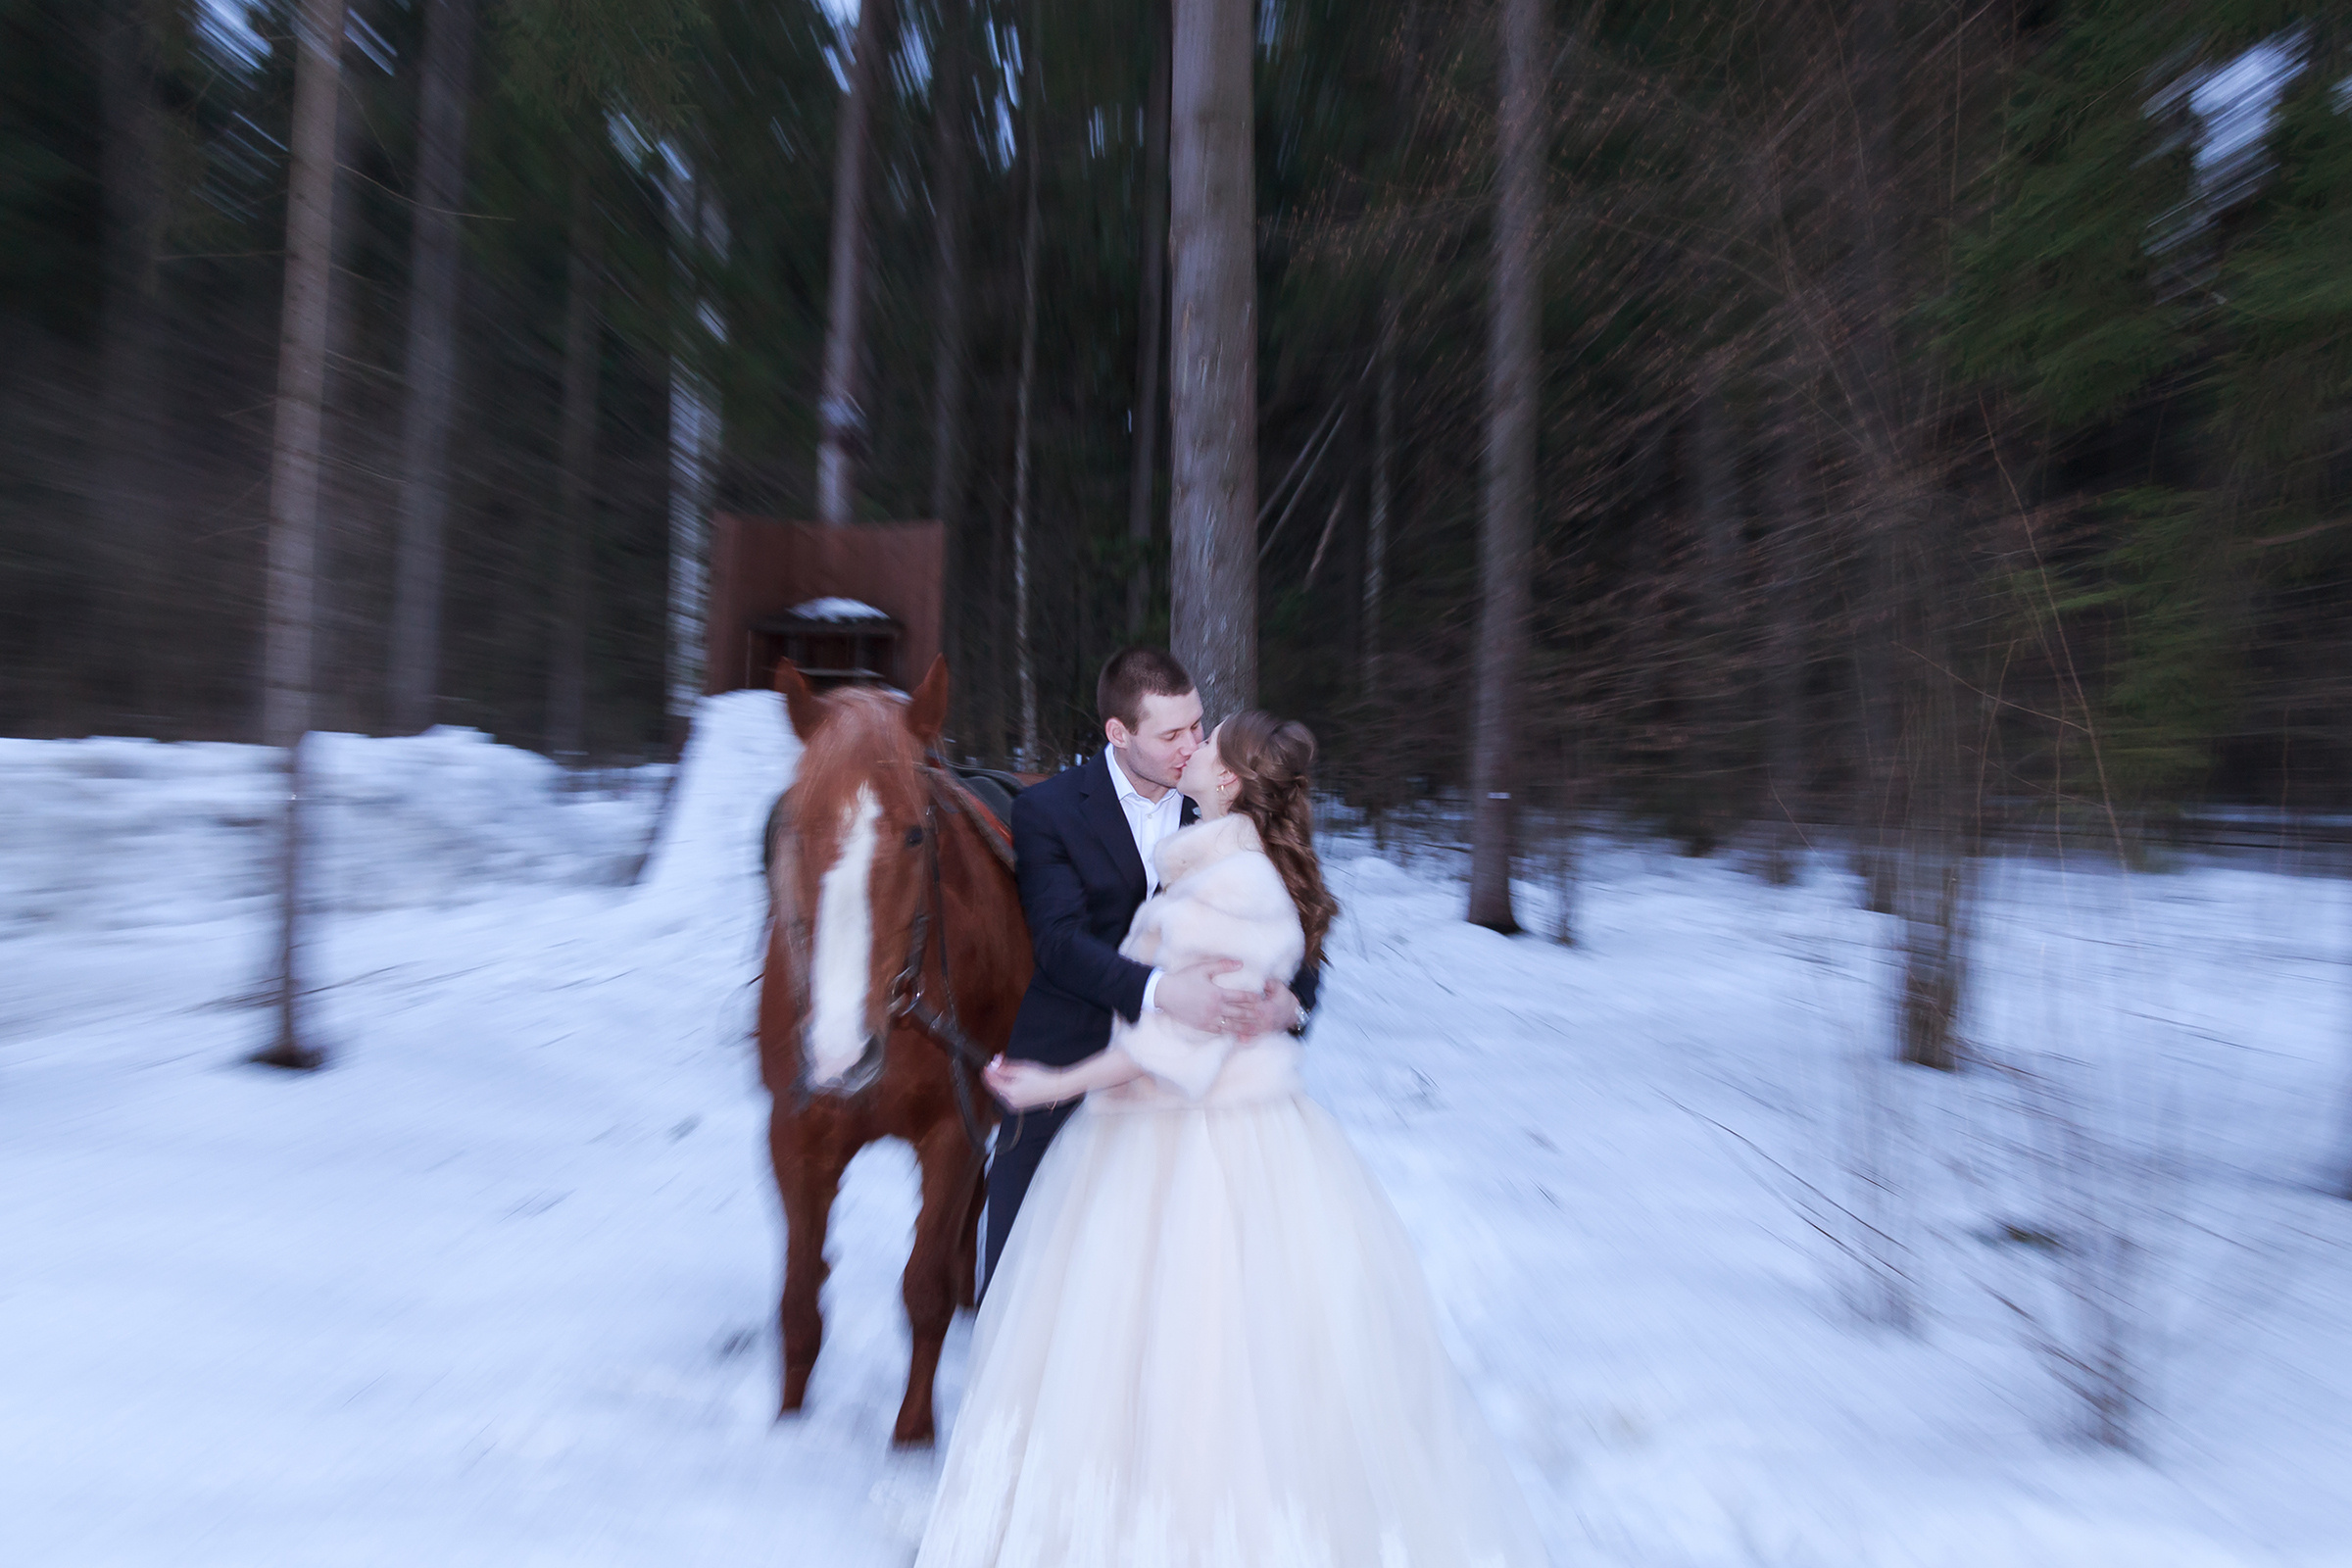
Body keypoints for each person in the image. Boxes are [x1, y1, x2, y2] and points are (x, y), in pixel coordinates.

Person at [917, 710, 1548, 1568]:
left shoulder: (1230, 882)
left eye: (1205, 739)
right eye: (1179, 731)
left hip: (1190, 1137)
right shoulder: (1203, 849)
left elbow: (1182, 1045)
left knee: (1195, 1347)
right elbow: (1072, 945)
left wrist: (1051, 1085)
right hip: (1179, 1118)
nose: (1192, 745)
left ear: (1229, 779)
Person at [979, 649, 1317, 1292]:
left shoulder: (1229, 795)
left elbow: (1296, 929)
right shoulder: (1048, 810)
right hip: (1069, 1043)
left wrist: (1292, 1005)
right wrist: (1163, 992)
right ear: (1119, 733)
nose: (1191, 746)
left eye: (1198, 726)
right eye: (1171, 735)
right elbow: (1059, 942)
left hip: (1197, 1080)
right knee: (1022, 1273)